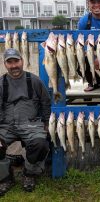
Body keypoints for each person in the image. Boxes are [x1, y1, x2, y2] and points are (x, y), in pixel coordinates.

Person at [0, 48, 51, 196]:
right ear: (5, 64)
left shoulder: (34, 80)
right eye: (10, 62)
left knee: (40, 144)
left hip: (31, 124)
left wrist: (47, 123)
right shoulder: (1, 83)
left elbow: (45, 102)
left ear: (22, 61)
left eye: (16, 61)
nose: (14, 65)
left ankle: (29, 173)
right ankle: (5, 177)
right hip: (7, 125)